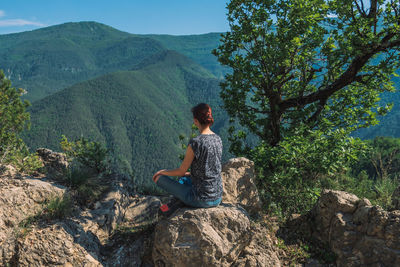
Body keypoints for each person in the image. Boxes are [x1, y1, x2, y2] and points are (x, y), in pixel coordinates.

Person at [152, 103, 223, 212]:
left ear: (195, 121)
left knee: (159, 178)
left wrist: (162, 172)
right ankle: (178, 202)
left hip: (201, 199)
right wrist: (190, 174)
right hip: (217, 197)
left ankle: (174, 204)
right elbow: (211, 169)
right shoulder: (218, 139)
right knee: (184, 179)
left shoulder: (195, 143)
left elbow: (181, 170)